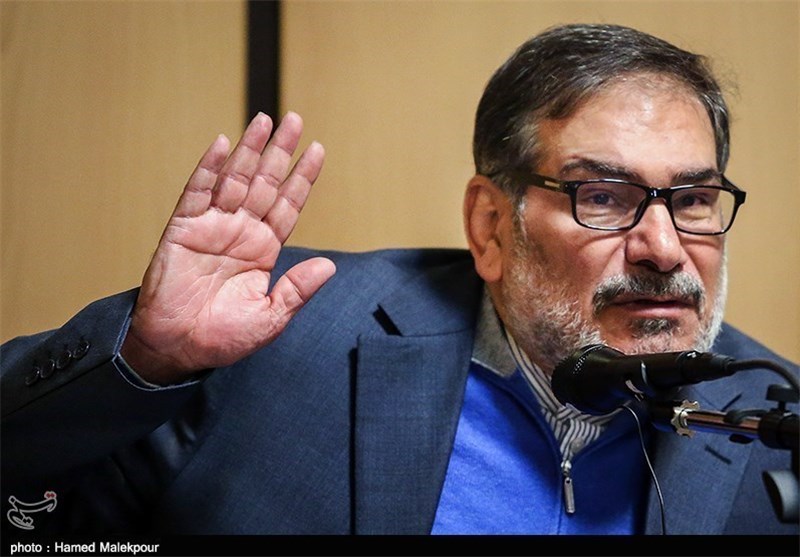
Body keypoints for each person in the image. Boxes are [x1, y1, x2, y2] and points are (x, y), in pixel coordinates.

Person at [1, 23, 797, 540]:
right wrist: (145, 360)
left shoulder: (776, 426)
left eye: (694, 200)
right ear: (491, 226)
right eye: (605, 197)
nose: (664, 247)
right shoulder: (278, 337)